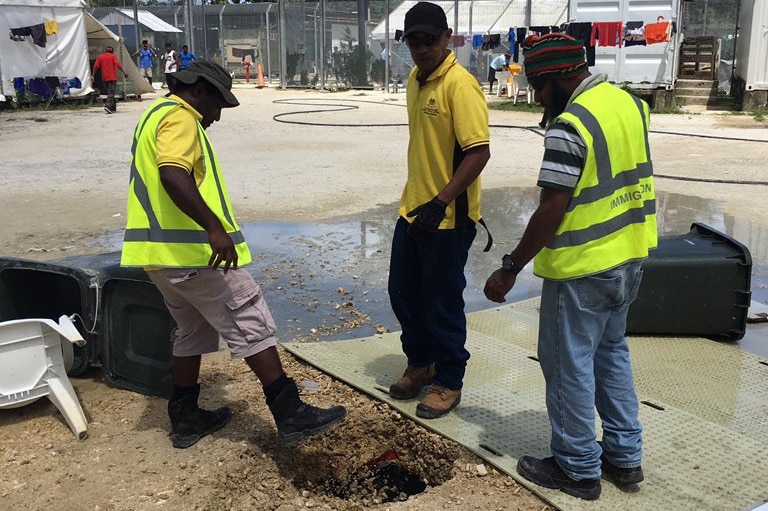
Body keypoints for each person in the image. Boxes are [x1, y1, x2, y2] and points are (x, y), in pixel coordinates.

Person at [120, 60, 347, 449]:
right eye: (219, 104)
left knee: (191, 331)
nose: (218, 115)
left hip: (161, 257)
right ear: (201, 90)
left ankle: (186, 415)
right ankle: (290, 413)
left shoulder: (153, 115)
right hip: (193, 254)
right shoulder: (181, 118)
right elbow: (173, 174)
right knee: (249, 316)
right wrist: (213, 227)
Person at [483, 33, 657, 500]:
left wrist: (511, 266)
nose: (539, 96)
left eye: (540, 85)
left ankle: (577, 466)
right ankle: (624, 457)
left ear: (560, 77)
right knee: (611, 355)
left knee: (567, 367)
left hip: (584, 266)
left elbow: (550, 209)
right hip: (630, 256)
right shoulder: (629, 105)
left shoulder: (570, 125)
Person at [387, 2, 490, 420]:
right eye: (415, 40)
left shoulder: (459, 86)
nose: (423, 48)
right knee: (403, 293)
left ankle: (448, 380)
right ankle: (421, 362)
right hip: (414, 208)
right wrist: (423, 202)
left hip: (448, 218)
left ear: (447, 37)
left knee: (442, 302)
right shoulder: (415, 79)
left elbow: (478, 153)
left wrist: (442, 200)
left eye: (430, 39)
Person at [91, 45, 124, 114]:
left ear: (106, 51)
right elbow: (117, 65)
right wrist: (124, 73)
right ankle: (108, 106)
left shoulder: (100, 57)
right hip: (112, 77)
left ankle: (113, 107)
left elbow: (95, 66)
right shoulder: (113, 56)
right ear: (112, 51)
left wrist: (92, 75)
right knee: (111, 92)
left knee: (110, 92)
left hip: (104, 78)